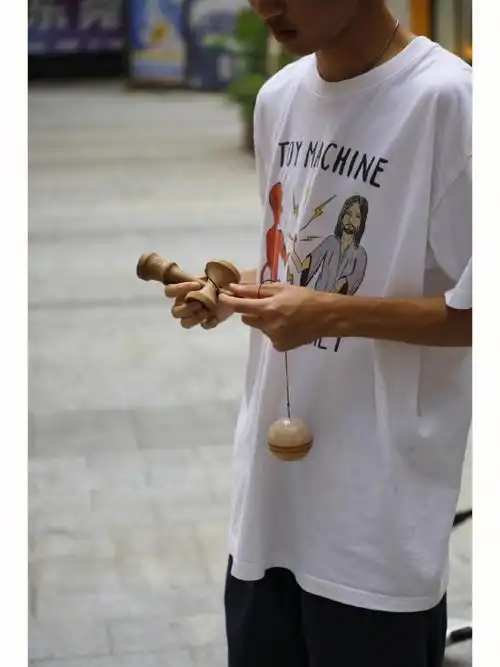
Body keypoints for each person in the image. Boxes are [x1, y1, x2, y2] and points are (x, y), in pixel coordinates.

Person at [164, 1, 472, 665]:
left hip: (376, 529)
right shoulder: (279, 98)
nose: (265, 5)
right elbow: (297, 268)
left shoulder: (449, 102)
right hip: (268, 511)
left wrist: (329, 315)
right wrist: (232, 294)